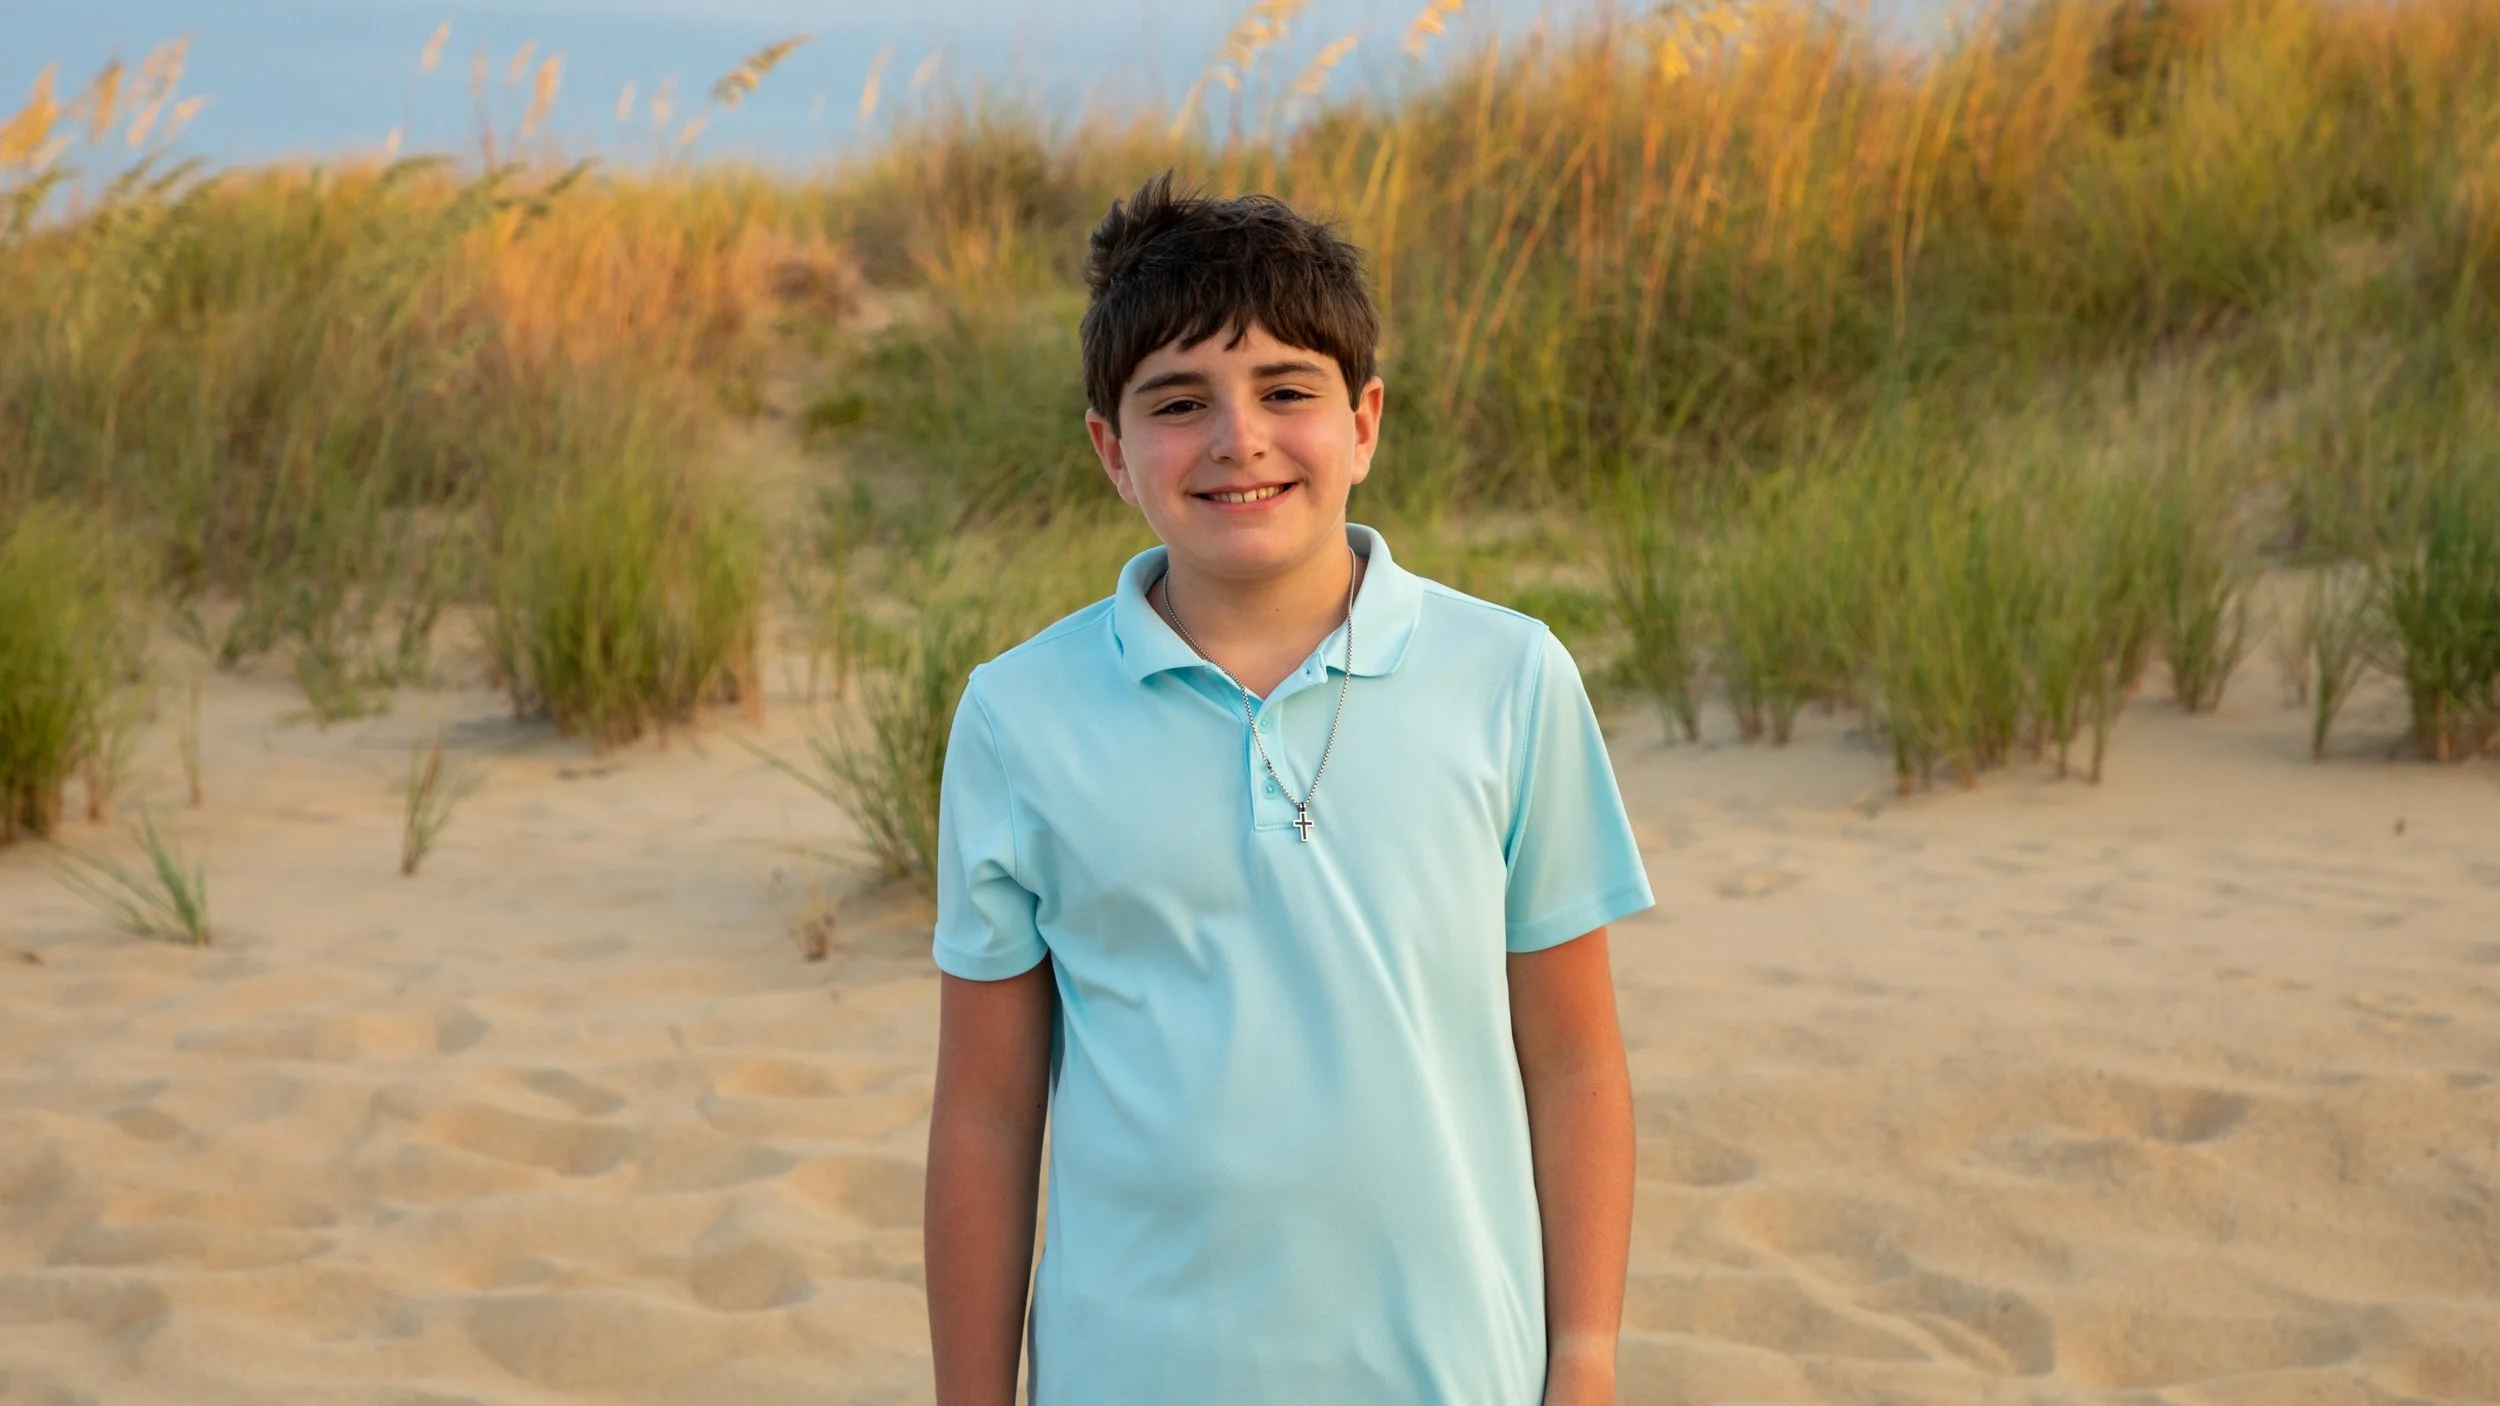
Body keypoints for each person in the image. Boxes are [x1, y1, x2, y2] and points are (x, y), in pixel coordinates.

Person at [922, 170, 1653, 1406]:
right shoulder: (1018, 715)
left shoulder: (1508, 675)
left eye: (1285, 390)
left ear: (1364, 421)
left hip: (1448, 1371)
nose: (1236, 438)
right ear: (1111, 450)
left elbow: (1574, 1061)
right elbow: (985, 1114)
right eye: (1176, 402)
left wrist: (1580, 1364)